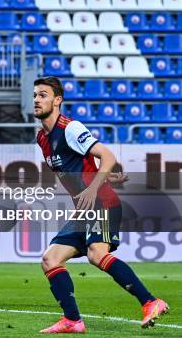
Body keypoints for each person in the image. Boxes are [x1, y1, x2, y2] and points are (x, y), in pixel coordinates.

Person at [33, 76, 169, 333]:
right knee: (50, 259)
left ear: (57, 100)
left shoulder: (70, 128)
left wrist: (97, 184)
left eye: (43, 95)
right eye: (35, 96)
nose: (37, 100)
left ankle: (151, 302)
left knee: (97, 254)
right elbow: (81, 167)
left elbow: (107, 155)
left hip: (102, 202)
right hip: (84, 210)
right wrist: (105, 176)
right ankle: (73, 321)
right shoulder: (42, 138)